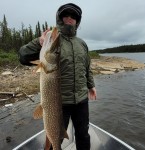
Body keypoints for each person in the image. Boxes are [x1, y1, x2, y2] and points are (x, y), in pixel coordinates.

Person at [18, 3, 97, 150]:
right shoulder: (51, 40)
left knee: (83, 135)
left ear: (77, 21)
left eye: (73, 16)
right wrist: (38, 43)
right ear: (60, 18)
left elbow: (87, 67)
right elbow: (23, 57)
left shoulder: (82, 44)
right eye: (66, 15)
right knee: (55, 137)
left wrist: (91, 85)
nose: (69, 18)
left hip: (81, 100)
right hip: (59, 102)